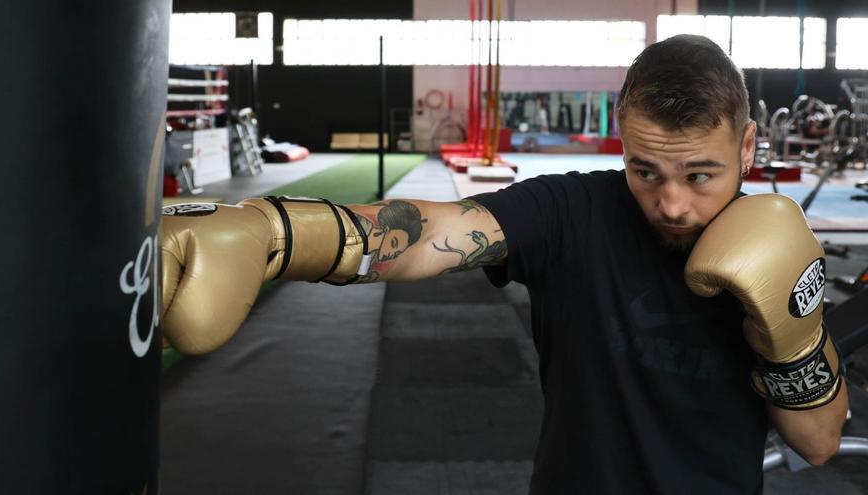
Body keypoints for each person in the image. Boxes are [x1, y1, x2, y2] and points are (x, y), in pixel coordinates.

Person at [160, 35, 848, 494]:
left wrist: (790, 338)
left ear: (749, 144)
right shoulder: (576, 211)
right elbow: (440, 229)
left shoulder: (777, 250)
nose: (669, 202)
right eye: (644, 170)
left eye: (700, 175)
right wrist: (279, 234)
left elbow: (817, 444)